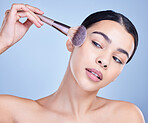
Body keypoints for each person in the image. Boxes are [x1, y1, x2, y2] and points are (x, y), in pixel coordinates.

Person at [0, 3, 145, 123]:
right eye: (97, 44)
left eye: (117, 59)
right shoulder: (10, 112)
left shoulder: (127, 117)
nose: (104, 61)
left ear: (117, 74)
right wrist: (2, 43)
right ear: (72, 41)